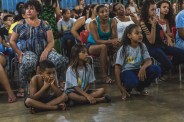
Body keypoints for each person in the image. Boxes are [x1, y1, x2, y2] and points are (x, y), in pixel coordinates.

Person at [10, 0, 68, 98]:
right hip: (27, 52)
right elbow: (12, 41)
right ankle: (22, 87)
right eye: (27, 8)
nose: (28, 11)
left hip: (44, 51)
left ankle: (61, 82)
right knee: (28, 62)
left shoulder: (45, 24)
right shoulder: (19, 25)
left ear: (37, 11)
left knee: (60, 59)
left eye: (31, 8)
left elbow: (51, 41)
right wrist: (19, 53)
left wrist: (46, 51)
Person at [140, 0, 184, 80]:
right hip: (151, 48)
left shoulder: (155, 19)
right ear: (146, 10)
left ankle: (165, 67)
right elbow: (151, 41)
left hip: (161, 45)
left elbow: (162, 31)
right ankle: (155, 73)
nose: (154, 12)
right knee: (168, 64)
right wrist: (153, 25)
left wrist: (168, 37)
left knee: (181, 53)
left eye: (155, 9)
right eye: (152, 10)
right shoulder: (143, 23)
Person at [115, 24, 161, 100]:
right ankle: (126, 88)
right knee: (132, 81)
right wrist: (120, 86)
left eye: (141, 33)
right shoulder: (124, 48)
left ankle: (140, 87)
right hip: (126, 71)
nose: (140, 35)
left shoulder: (142, 45)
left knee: (156, 69)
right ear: (129, 35)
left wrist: (143, 68)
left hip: (138, 70)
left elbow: (148, 60)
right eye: (136, 33)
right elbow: (117, 67)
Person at [87, 5, 120, 84]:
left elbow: (114, 37)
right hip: (92, 45)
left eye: (106, 11)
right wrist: (112, 41)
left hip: (106, 44)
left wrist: (115, 42)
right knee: (103, 47)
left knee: (120, 46)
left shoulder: (112, 21)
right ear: (97, 14)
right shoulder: (93, 23)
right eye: (102, 12)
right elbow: (97, 40)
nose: (105, 13)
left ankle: (123, 73)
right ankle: (103, 76)